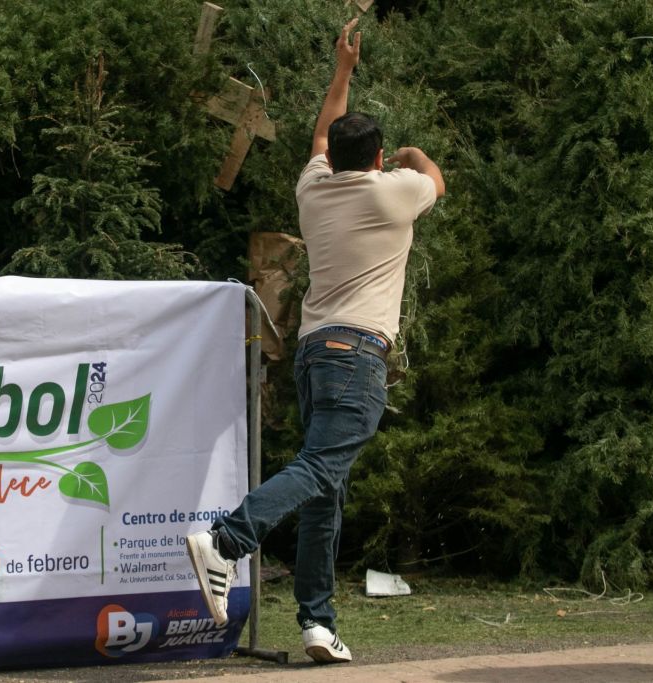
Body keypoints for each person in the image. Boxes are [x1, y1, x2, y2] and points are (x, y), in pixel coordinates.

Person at [186, 16, 445, 664]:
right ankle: (225, 539)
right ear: (380, 160)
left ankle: (316, 622)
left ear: (334, 157)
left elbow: (320, 131)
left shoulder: (312, 190)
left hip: (312, 352)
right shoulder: (397, 192)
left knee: (325, 489)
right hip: (356, 357)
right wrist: (411, 156)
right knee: (322, 470)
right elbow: (436, 176)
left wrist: (342, 72)